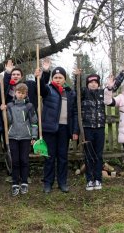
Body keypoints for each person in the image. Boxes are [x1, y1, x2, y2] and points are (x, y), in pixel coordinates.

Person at [74, 62, 124, 191]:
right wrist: (77, 77)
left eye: (95, 82)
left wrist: (123, 72)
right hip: (87, 128)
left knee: (98, 155)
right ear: (87, 84)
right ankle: (89, 180)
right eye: (90, 82)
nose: (93, 84)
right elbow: (76, 89)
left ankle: (98, 179)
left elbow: (113, 87)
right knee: (88, 155)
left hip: (99, 128)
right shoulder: (83, 93)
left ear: (98, 84)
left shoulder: (101, 93)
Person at [34, 65, 78, 193]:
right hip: (50, 129)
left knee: (63, 157)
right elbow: (40, 88)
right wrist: (40, 76)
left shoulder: (70, 92)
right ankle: (48, 183)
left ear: (64, 79)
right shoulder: (48, 89)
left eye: (60, 77)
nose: (58, 79)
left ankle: (62, 183)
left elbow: (74, 112)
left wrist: (75, 130)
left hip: (64, 129)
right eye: (55, 77)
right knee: (49, 157)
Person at [1, 83, 38, 196]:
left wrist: (34, 136)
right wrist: (4, 110)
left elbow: (34, 122)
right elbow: (8, 121)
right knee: (15, 161)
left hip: (26, 137)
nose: (20, 95)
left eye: (23, 93)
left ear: (26, 94)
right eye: (19, 92)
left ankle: (24, 182)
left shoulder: (29, 106)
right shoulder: (10, 105)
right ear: (15, 93)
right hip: (13, 136)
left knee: (24, 160)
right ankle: (15, 183)